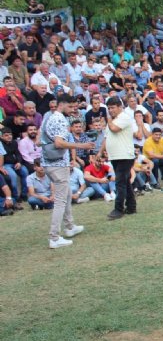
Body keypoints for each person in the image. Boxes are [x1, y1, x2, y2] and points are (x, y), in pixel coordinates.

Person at [40, 94, 95, 248]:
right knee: (61, 200)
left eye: (74, 107)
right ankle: (54, 237)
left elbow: (41, 139)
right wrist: (81, 146)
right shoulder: (58, 119)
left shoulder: (49, 117)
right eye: (70, 107)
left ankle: (70, 226)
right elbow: (58, 143)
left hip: (52, 162)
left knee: (67, 194)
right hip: (57, 164)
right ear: (61, 104)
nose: (73, 110)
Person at [100, 96, 136, 219]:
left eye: (113, 108)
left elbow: (114, 129)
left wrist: (109, 120)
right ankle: (131, 206)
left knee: (120, 182)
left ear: (120, 107)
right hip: (115, 156)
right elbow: (106, 138)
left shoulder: (124, 117)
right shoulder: (113, 120)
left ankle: (118, 209)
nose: (110, 110)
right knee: (125, 181)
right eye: (109, 108)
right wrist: (100, 152)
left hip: (124, 155)